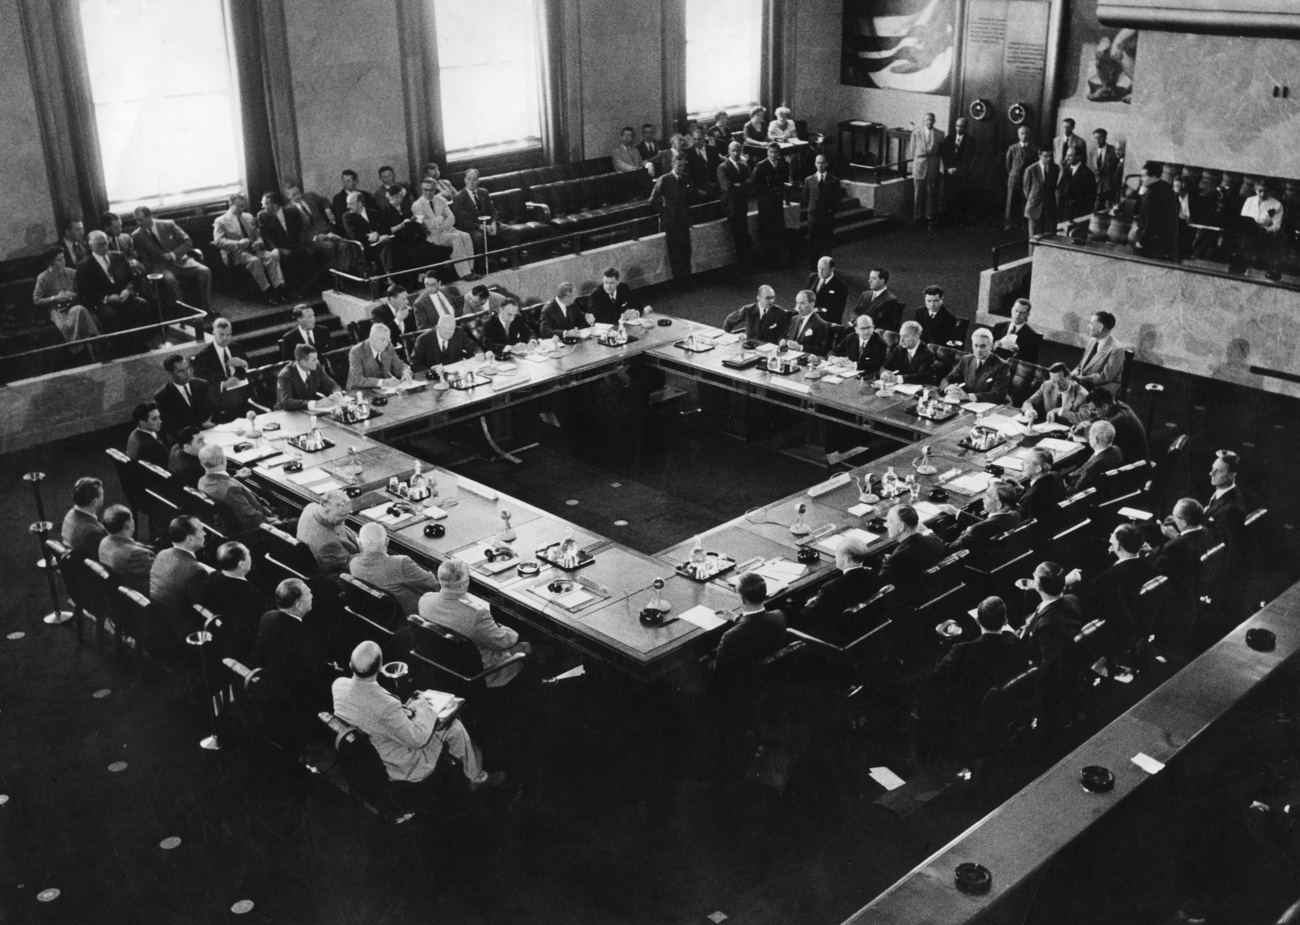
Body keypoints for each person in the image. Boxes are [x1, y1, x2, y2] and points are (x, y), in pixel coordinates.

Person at [333, 640, 504, 790]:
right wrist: (422, 705)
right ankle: (477, 777)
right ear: (380, 666)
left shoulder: (338, 685)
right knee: (454, 726)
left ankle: (464, 768)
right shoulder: (387, 707)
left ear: (350, 664)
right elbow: (417, 739)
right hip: (398, 762)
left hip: (371, 750)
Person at [923, 596, 1029, 735]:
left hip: (972, 716)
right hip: (1006, 709)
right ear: (1005, 621)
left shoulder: (960, 650)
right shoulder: (1018, 650)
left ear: (977, 621)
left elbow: (933, 677)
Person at [417, 558, 530, 688]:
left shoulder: (425, 600)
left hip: (445, 667)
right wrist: (506, 628)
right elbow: (505, 642)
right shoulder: (476, 615)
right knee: (528, 646)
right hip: (482, 672)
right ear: (464, 584)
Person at [255, 578, 334, 729]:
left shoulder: (268, 617)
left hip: (272, 685)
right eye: (308, 593)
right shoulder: (304, 635)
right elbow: (317, 670)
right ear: (298, 605)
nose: (312, 596)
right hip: (297, 698)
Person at [1064, 523, 1153, 650]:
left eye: (1113, 535)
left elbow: (1087, 605)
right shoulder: (1149, 566)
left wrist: (1067, 584)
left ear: (1117, 546)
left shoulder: (1107, 579)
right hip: (1139, 623)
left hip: (1112, 634)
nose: (1110, 536)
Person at [704, 572, 786, 688]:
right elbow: (755, 627)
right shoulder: (779, 615)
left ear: (742, 599)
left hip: (742, 687)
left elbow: (718, 674)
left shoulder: (731, 636)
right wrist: (736, 618)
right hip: (769, 678)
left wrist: (703, 658)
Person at [131, 205, 212, 314]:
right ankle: (183, 312)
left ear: (150, 216)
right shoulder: (137, 235)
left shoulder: (168, 224)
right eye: (136, 220)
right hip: (161, 267)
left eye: (141, 219)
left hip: (181, 261)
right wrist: (151, 269)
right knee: (170, 281)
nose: (138, 223)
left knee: (205, 271)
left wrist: (174, 254)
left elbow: (187, 241)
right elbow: (142, 257)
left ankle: (206, 307)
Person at [197, 541, 268, 663]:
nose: (251, 558)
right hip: (242, 650)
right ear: (241, 564)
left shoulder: (211, 578)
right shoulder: (254, 596)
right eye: (249, 555)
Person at [350, 523, 440, 616]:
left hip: (381, 617)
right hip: (412, 617)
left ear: (359, 543)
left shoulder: (353, 564)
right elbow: (434, 585)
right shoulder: (401, 563)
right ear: (387, 541)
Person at [796, 535, 877, 637]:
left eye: (836, 554)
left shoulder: (830, 588)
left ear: (846, 559)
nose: (835, 557)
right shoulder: (873, 575)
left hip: (839, 637)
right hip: (865, 626)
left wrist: (808, 605)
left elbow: (809, 617)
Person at [213, 193, 286, 305]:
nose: (242, 209)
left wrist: (258, 242)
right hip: (236, 253)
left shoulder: (249, 217)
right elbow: (218, 241)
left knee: (271, 257)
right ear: (230, 204)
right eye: (239, 207)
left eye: (244, 206)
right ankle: (268, 292)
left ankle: (279, 288)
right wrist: (238, 243)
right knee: (255, 261)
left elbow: (257, 236)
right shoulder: (221, 221)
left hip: (254, 250)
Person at [75, 230, 148, 332]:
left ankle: (142, 342)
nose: (104, 246)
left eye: (105, 243)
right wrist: (107, 298)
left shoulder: (119, 256)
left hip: (123, 297)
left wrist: (128, 290)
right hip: (102, 303)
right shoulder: (84, 265)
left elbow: (133, 278)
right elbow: (85, 293)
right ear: (91, 246)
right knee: (111, 315)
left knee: (141, 304)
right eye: (100, 244)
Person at [257, 191, 327, 297]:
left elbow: (300, 229)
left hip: (295, 245)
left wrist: (303, 243)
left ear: (274, 204)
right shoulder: (262, 215)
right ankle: (295, 290)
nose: (262, 206)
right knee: (289, 257)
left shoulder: (292, 212)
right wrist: (276, 249)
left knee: (312, 254)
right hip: (278, 247)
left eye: (265, 203)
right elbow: (265, 237)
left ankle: (310, 286)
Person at [34, 248, 101, 352]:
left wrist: (73, 295)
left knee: (79, 310)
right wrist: (54, 298)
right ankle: (95, 343)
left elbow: (83, 291)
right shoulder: (43, 277)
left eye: (63, 258)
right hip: (57, 310)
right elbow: (36, 300)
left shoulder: (71, 272)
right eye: (59, 260)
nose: (63, 262)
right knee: (80, 312)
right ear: (51, 263)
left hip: (73, 305)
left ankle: (81, 348)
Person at [410, 175, 474, 281]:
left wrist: (438, 224)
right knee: (456, 238)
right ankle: (464, 274)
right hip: (433, 236)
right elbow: (427, 225)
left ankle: (471, 269)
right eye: (424, 190)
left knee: (466, 236)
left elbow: (452, 218)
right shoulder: (417, 205)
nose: (427, 193)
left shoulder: (441, 200)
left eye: (430, 190)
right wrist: (441, 218)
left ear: (435, 189)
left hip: (447, 230)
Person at [452, 168, 514, 276]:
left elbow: (493, 211)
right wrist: (481, 226)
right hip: (472, 227)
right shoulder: (459, 197)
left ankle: (507, 260)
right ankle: (482, 267)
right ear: (464, 180)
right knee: (479, 238)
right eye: (469, 179)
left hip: (489, 224)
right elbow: (462, 220)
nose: (471, 182)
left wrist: (494, 223)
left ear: (478, 181)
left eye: (475, 179)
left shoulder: (483, 192)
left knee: (513, 232)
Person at [1019, 561, 1082, 666]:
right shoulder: (1072, 599)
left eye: (1035, 578)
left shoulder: (1045, 625)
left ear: (1038, 587)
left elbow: (1048, 665)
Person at [149, 515, 209, 625]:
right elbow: (204, 606)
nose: (205, 534)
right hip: (182, 630)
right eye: (201, 530)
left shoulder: (162, 554)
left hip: (159, 621)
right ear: (190, 538)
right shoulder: (196, 571)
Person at [197, 444, 270, 534]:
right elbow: (253, 520)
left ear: (201, 463)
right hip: (262, 524)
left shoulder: (202, 481)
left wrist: (235, 478)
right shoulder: (231, 490)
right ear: (224, 460)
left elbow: (221, 484)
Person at [191, 317, 250, 420]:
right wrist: (224, 384)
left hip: (241, 391)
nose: (225, 338)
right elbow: (202, 383)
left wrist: (243, 363)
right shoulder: (203, 356)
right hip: (221, 396)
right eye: (221, 335)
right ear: (214, 333)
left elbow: (249, 367)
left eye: (228, 335)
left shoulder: (235, 347)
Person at [649, 154, 695, 282]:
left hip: (684, 220)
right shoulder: (665, 179)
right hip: (671, 221)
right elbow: (652, 200)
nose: (681, 168)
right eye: (678, 165)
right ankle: (679, 282)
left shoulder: (686, 178)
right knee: (675, 253)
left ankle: (687, 279)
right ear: (673, 164)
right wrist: (665, 211)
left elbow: (690, 195)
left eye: (683, 166)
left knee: (686, 250)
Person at [284, 182, 348, 272]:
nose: (298, 196)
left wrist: (327, 209)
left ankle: (343, 274)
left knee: (343, 245)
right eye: (294, 195)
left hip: (325, 230)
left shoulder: (310, 196)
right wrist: (316, 237)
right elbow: (298, 233)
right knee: (330, 246)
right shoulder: (288, 211)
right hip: (311, 238)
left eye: (298, 192)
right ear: (288, 196)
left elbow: (324, 200)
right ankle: (333, 276)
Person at [880, 504, 946, 590]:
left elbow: (879, 586)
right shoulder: (935, 540)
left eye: (889, 521)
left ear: (901, 527)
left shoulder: (895, 559)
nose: (886, 525)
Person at [947, 480, 1023, 552]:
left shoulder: (975, 530)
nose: (983, 497)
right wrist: (957, 512)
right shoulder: (1015, 515)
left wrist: (968, 531)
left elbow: (947, 551)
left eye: (988, 495)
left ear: (999, 505)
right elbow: (989, 524)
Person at [154, 354, 215, 441]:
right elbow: (172, 427)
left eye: (187, 368)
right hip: (184, 439)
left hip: (212, 432)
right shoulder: (162, 396)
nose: (187, 373)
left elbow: (213, 409)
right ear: (169, 373)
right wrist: (200, 425)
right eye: (181, 371)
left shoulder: (202, 385)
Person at [296, 490, 359, 574]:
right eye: (342, 515)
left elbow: (342, 528)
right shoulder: (327, 543)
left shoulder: (311, 507)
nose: (347, 517)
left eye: (347, 513)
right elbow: (349, 564)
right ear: (326, 512)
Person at [940, 328, 1009, 403]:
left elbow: (998, 395)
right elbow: (948, 378)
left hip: (986, 406)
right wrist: (948, 389)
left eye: (983, 346)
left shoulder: (1002, 365)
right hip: (966, 404)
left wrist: (967, 396)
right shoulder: (966, 359)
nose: (978, 350)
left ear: (991, 346)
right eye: (976, 345)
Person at [1235, 180, 1286, 280]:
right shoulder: (1249, 200)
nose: (1263, 194)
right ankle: (1241, 268)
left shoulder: (1276, 205)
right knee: (1246, 238)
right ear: (1255, 190)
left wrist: (1266, 229)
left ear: (1270, 191)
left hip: (1264, 233)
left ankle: (1247, 268)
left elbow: (1276, 226)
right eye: (1260, 190)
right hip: (1248, 231)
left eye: (1266, 191)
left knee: (1253, 242)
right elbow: (1244, 218)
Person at [1083, 387, 1149, 463]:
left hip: (1134, 466)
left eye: (1094, 410)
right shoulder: (1116, 404)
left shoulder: (1117, 420)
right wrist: (1088, 423)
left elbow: (1096, 442)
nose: (1092, 413)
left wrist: (1084, 429)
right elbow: (1100, 416)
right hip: (1128, 457)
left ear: (1105, 406)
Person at [98, 505, 154, 594]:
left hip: (117, 587)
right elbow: (157, 572)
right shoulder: (136, 554)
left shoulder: (104, 541)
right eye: (132, 518)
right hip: (138, 594)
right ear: (128, 524)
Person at [801, 154, 843, 267]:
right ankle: (813, 264)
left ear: (827, 164)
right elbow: (805, 198)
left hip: (827, 217)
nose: (820, 165)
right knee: (813, 241)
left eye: (822, 162)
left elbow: (837, 198)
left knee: (827, 242)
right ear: (815, 164)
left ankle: (827, 265)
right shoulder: (809, 180)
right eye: (818, 162)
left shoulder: (834, 181)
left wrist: (831, 212)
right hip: (813, 216)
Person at [276, 343, 344, 411]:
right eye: (314, 360)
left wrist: (337, 394)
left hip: (308, 411)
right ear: (302, 362)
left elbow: (332, 385)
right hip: (287, 413)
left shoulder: (316, 367)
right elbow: (286, 402)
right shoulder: (285, 375)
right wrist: (315, 404)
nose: (317, 361)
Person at [1134, 161, 1179, 261]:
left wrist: (1141, 241)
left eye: (1144, 176)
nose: (1141, 179)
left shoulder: (1152, 194)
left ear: (1154, 176)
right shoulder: (1169, 189)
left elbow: (1149, 222)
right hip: (1166, 242)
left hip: (1150, 244)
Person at [341, 190, 393, 275]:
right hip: (363, 248)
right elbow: (355, 236)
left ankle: (390, 276)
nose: (347, 206)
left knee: (389, 242)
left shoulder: (374, 213)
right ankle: (389, 275)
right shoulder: (347, 217)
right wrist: (371, 238)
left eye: (351, 204)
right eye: (347, 203)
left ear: (360, 203)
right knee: (386, 242)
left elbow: (385, 228)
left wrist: (377, 234)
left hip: (379, 244)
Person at [346, 322, 411, 391]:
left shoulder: (389, 346)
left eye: (388, 340)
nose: (386, 343)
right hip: (359, 391)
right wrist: (383, 382)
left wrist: (406, 372)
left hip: (382, 390)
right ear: (371, 339)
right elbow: (357, 379)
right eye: (382, 340)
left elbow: (399, 365)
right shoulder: (356, 352)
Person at [751, 142, 788, 262]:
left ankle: (779, 255)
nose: (773, 154)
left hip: (777, 202)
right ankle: (769, 259)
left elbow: (784, 180)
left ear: (779, 153)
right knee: (767, 229)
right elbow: (754, 184)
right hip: (766, 203)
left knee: (778, 228)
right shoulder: (760, 165)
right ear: (767, 152)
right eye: (771, 152)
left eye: (775, 152)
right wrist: (768, 189)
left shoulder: (782, 165)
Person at [717, 141, 753, 261]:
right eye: (733, 151)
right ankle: (743, 260)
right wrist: (741, 186)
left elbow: (750, 184)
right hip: (731, 206)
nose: (736, 153)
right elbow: (728, 188)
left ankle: (746, 259)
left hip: (742, 204)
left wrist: (739, 185)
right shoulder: (723, 167)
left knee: (743, 230)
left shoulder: (744, 167)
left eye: (738, 150)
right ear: (728, 151)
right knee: (738, 233)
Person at [1017, 448, 1066, 534]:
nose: (1021, 464)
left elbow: (1018, 521)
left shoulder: (1031, 497)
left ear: (1038, 469)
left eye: (1026, 462)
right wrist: (1022, 490)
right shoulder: (1056, 476)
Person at [1072, 311, 1124, 390]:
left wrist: (1082, 379)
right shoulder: (1092, 341)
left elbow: (1106, 376)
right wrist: (1072, 374)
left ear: (1101, 327)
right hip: (1085, 384)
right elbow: (1081, 366)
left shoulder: (1116, 349)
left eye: (1092, 323)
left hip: (1102, 389)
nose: (1088, 326)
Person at [1022, 363, 1088, 424]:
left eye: (1060, 381)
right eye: (1053, 381)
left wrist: (1060, 411)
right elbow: (1029, 402)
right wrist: (1028, 411)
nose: (1057, 385)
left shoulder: (1082, 394)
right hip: (1047, 427)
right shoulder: (1047, 386)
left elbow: (1084, 418)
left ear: (1069, 376)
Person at [1067, 420, 1123, 493]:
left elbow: (1078, 489)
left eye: (1090, 434)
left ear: (1095, 439)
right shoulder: (1117, 449)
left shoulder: (1095, 466)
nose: (1089, 437)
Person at [722, 285, 790, 344]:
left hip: (768, 349)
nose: (771, 301)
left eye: (773, 298)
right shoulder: (748, 310)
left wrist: (781, 341)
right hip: (750, 346)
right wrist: (726, 337)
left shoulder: (780, 312)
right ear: (758, 298)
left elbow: (783, 333)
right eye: (768, 298)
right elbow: (729, 321)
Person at [910, 112, 945, 224]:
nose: (929, 122)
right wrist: (918, 161)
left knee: (931, 192)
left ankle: (929, 216)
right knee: (918, 192)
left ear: (934, 121)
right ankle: (917, 216)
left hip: (933, 166)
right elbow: (912, 150)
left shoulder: (940, 134)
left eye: (931, 119)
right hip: (919, 166)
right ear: (924, 121)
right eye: (927, 120)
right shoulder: (916, 133)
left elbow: (941, 151)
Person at [412, 315, 478, 372]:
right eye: (445, 330)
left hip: (455, 372)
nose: (448, 334)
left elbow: (473, 346)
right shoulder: (423, 339)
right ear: (437, 327)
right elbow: (415, 363)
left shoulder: (459, 332)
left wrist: (479, 353)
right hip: (434, 376)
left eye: (451, 330)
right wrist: (430, 371)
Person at [62, 476, 107, 555]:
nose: (103, 496)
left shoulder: (71, 513)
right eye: (102, 494)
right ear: (94, 502)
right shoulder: (91, 531)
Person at [990, 298, 1042, 365]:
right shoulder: (999, 327)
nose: (1018, 314)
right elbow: (986, 351)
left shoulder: (1032, 336)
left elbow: (1031, 363)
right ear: (1012, 310)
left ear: (1028, 315)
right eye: (1016, 310)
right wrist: (994, 348)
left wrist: (1017, 353)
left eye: (1022, 312)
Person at [939, 116, 976, 211]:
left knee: (960, 198)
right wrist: (948, 168)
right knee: (947, 196)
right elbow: (944, 154)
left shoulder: (970, 141)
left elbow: (968, 158)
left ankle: (958, 220)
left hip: (961, 174)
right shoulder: (949, 138)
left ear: (966, 128)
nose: (959, 129)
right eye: (957, 126)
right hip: (949, 173)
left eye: (962, 126)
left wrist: (957, 169)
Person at [1023, 147, 1060, 237]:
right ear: (1039, 156)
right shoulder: (1031, 170)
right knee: (1033, 237)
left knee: (1049, 235)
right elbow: (1026, 190)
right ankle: (1031, 252)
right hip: (1034, 207)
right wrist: (1035, 199)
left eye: (1051, 156)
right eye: (1046, 156)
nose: (1049, 159)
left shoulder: (1056, 168)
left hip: (1049, 208)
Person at [1056, 148, 1097, 228]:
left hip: (1078, 215)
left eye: (1070, 155)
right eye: (1067, 155)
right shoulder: (1065, 170)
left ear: (1078, 157)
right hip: (1064, 212)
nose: (1067, 158)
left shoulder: (1087, 173)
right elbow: (1060, 189)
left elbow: (1090, 198)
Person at [1004, 124, 1034, 230]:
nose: (1024, 136)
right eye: (1022, 133)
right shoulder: (1012, 148)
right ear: (1018, 135)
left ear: (1029, 135)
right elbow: (1008, 165)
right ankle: (1008, 223)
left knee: (1025, 201)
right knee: (1010, 202)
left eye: (1026, 133)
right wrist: (1013, 174)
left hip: (1026, 179)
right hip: (1014, 178)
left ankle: (1024, 224)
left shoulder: (1033, 149)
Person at [782, 289, 830, 356]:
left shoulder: (821, 324)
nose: (798, 307)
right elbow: (787, 337)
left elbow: (820, 350)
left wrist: (800, 347)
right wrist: (784, 341)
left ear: (812, 304)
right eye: (797, 303)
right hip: (788, 356)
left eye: (802, 303)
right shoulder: (794, 319)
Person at [126, 401, 169, 468]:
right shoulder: (154, 446)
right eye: (154, 419)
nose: (160, 421)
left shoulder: (133, 433)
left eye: (159, 417)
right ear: (142, 422)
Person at [807, 256, 848, 324]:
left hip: (826, 323)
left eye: (824, 269)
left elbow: (837, 311)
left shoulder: (841, 286)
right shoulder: (813, 277)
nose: (820, 271)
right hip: (810, 320)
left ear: (832, 269)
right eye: (819, 268)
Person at [1092, 128, 1123, 210]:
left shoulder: (1114, 150)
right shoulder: (1093, 152)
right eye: (1095, 138)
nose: (1098, 141)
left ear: (1105, 137)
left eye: (1100, 138)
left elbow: (1118, 171)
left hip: (1110, 188)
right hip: (1096, 188)